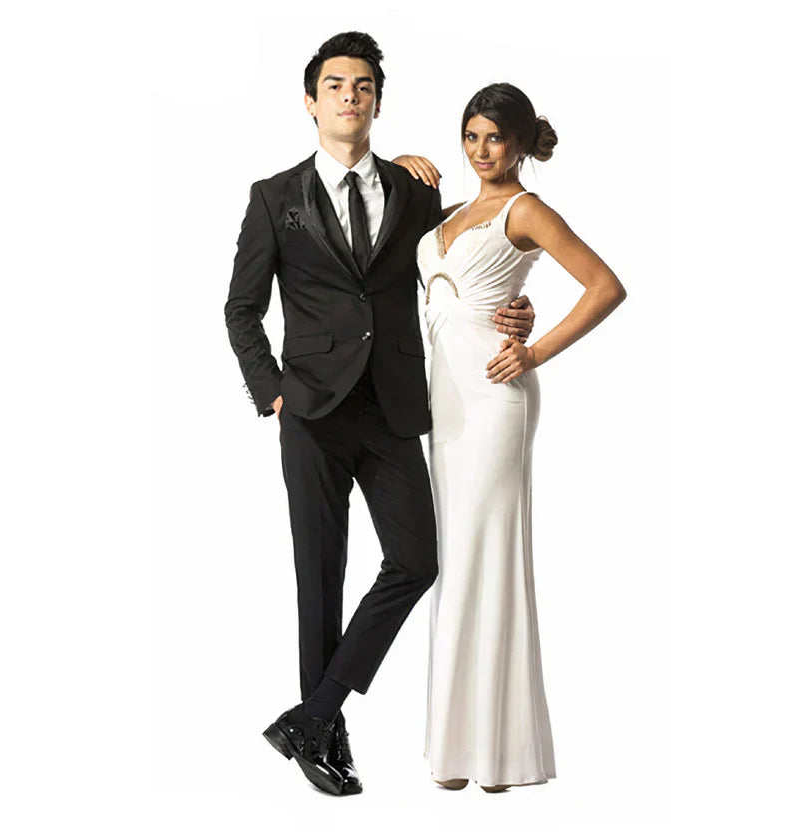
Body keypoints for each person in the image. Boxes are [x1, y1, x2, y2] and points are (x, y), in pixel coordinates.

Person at [223, 34, 535, 796]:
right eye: (335, 85)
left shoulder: (414, 192)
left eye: (363, 87)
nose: (349, 97)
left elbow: (468, 251)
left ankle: (311, 715)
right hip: (311, 412)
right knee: (319, 576)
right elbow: (240, 310)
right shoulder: (273, 197)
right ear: (311, 101)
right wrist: (273, 392)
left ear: (377, 103)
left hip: (394, 408)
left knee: (417, 560)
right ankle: (326, 739)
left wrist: (515, 305)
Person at [409, 82, 627, 792]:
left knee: (489, 557)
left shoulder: (525, 210)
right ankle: (457, 749)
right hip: (444, 405)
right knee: (453, 560)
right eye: (471, 136)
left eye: (495, 138)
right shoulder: (448, 213)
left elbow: (604, 286)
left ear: (521, 143)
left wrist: (533, 352)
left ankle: (496, 757)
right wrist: (403, 164)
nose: (481, 150)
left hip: (495, 399)